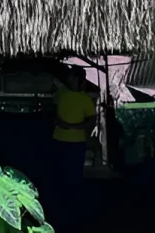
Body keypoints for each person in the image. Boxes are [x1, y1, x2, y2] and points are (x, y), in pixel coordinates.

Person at [51, 67, 96, 228]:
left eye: (71, 76)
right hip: (58, 140)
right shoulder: (61, 93)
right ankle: (58, 211)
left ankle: (73, 214)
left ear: (77, 79)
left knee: (74, 178)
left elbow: (91, 122)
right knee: (58, 176)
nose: (68, 79)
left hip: (76, 143)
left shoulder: (85, 99)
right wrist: (57, 121)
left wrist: (71, 126)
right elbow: (53, 111)